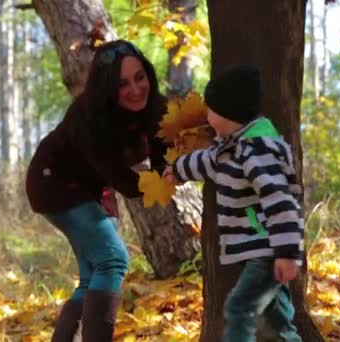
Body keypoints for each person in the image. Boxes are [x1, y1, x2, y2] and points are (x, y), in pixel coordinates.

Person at [25, 40, 168, 342]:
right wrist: (165, 179)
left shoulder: (156, 107)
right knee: (113, 259)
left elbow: (161, 157)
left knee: (93, 276)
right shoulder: (89, 117)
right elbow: (128, 184)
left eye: (139, 77)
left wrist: (173, 167)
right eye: (122, 84)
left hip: (93, 188)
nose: (135, 89)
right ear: (106, 88)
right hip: (53, 183)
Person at [163, 65, 304, 341]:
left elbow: (281, 201)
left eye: (211, 110)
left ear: (230, 113)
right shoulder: (232, 148)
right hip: (255, 249)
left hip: (266, 248)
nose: (207, 115)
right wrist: (178, 169)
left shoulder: (258, 151)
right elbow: (207, 161)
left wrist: (287, 252)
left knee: (240, 307)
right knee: (276, 321)